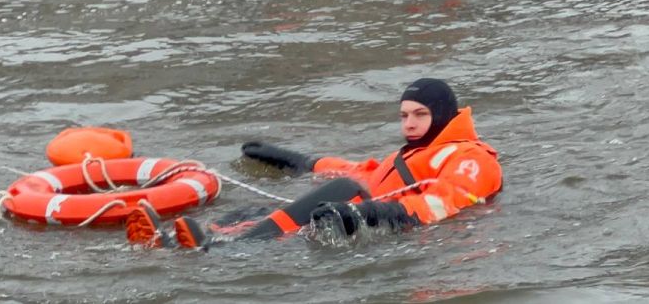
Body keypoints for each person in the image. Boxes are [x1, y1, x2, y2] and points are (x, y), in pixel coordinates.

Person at [124, 78, 502, 249]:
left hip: (397, 228)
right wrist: (299, 162)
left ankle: (220, 249)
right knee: (257, 209)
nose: (409, 123)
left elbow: (446, 201)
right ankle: (174, 239)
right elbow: (363, 172)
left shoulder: (471, 157)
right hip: (352, 213)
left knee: (338, 194)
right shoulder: (412, 153)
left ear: (442, 114)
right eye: (403, 115)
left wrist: (372, 213)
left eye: (419, 114)